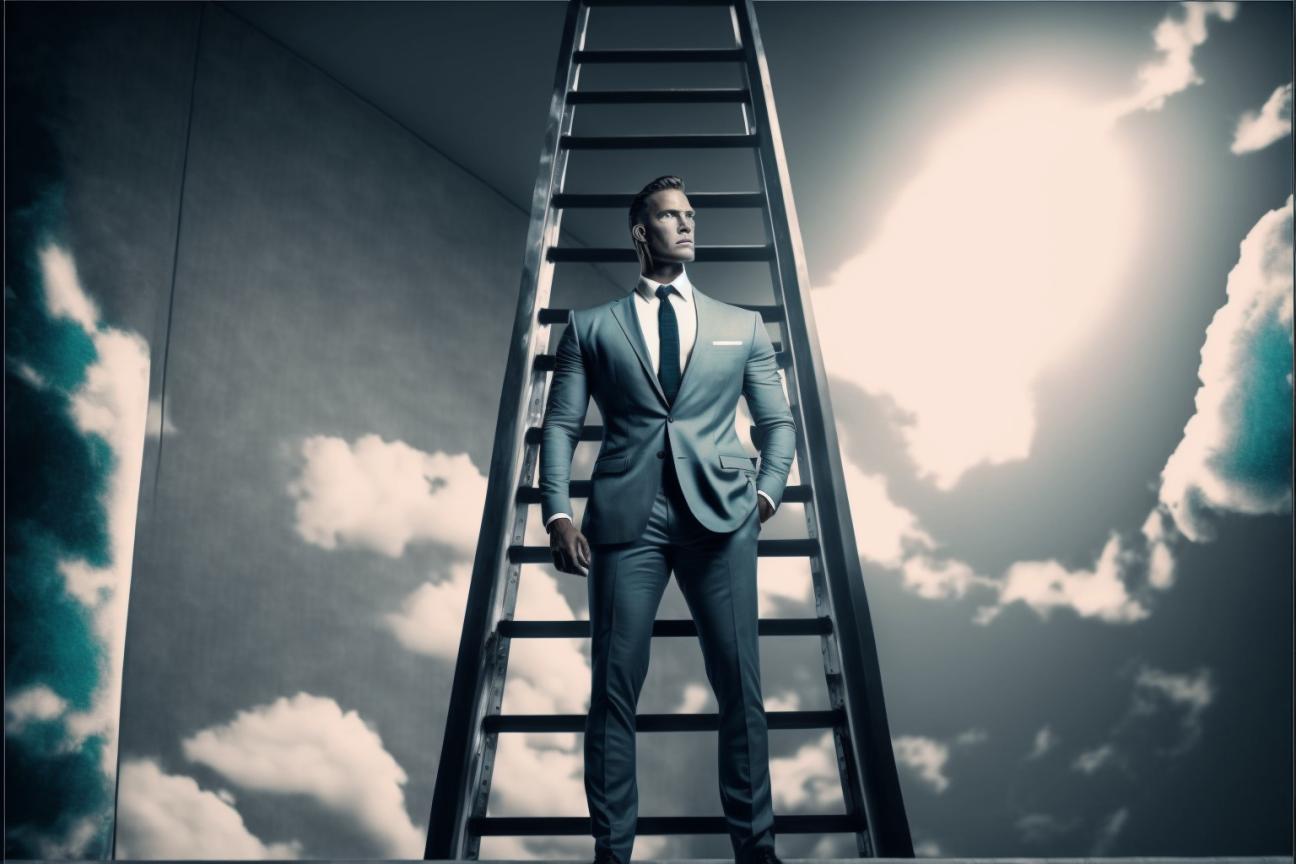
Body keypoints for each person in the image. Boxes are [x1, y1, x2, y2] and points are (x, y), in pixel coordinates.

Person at [540, 175, 796, 864]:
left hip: (722, 519)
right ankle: (611, 852)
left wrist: (765, 498)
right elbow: (561, 425)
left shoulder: (741, 326)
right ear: (639, 232)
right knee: (613, 689)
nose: (685, 226)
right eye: (669, 217)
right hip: (626, 522)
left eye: (690, 215)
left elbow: (777, 425)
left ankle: (757, 849)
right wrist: (558, 514)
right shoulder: (590, 327)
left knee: (741, 686)